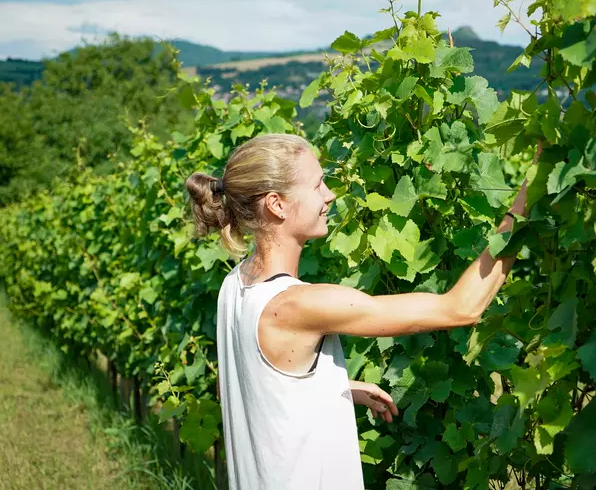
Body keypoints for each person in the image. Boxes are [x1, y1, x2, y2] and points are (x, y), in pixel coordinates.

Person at [185, 133, 538, 490]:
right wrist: (524, 202)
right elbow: (462, 307)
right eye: (317, 184)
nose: (330, 195)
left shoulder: (235, 285)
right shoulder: (298, 305)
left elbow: (235, 381)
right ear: (277, 204)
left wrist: (330, 386)